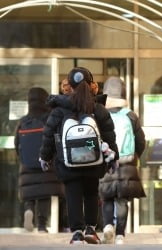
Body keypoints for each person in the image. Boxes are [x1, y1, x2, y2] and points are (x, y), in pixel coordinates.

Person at [39, 67, 119, 244]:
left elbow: (48, 136)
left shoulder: (59, 110)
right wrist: (114, 158)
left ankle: (77, 232)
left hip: (68, 162)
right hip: (94, 161)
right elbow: (109, 135)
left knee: (73, 194)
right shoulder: (98, 108)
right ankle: (91, 229)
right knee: (91, 193)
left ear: (70, 86)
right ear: (91, 86)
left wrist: (44, 157)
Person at [98, 76, 146, 245]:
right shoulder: (130, 115)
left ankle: (108, 226)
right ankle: (120, 235)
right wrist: (135, 156)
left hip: (106, 161)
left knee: (107, 197)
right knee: (122, 199)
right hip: (127, 162)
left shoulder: (99, 114)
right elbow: (141, 141)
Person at [14, 87, 64, 233]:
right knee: (44, 195)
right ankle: (42, 225)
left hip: (27, 165)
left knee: (30, 193)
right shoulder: (50, 118)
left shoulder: (23, 121)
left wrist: (23, 159)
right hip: (46, 165)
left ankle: (28, 210)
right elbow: (57, 141)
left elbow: (17, 144)